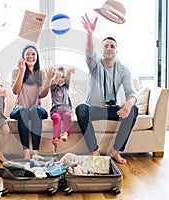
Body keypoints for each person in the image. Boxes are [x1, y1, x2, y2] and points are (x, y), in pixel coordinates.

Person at [75, 14, 139, 164]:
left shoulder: (123, 70)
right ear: (102, 50)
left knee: (133, 109)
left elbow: (131, 93)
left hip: (112, 109)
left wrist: (129, 103)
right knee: (81, 109)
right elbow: (89, 54)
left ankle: (116, 152)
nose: (109, 48)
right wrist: (90, 34)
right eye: (106, 46)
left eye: (112, 46)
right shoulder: (95, 65)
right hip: (94, 109)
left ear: (117, 51)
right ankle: (95, 151)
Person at [10, 45, 55, 160]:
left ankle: (35, 153)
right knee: (23, 111)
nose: (30, 56)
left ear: (37, 57)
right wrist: (22, 71)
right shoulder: (17, 71)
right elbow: (15, 91)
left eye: (33, 54)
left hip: (36, 109)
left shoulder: (41, 74)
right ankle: (26, 153)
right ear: (23, 57)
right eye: (28, 54)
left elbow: (42, 95)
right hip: (20, 109)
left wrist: (49, 80)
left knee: (35, 110)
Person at [50, 67, 75, 151]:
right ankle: (56, 138)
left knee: (67, 115)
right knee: (57, 118)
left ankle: (65, 133)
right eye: (58, 77)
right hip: (56, 110)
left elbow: (68, 78)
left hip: (66, 109)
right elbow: (54, 81)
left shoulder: (66, 87)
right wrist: (57, 76)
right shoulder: (53, 88)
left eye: (63, 77)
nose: (61, 79)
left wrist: (69, 73)